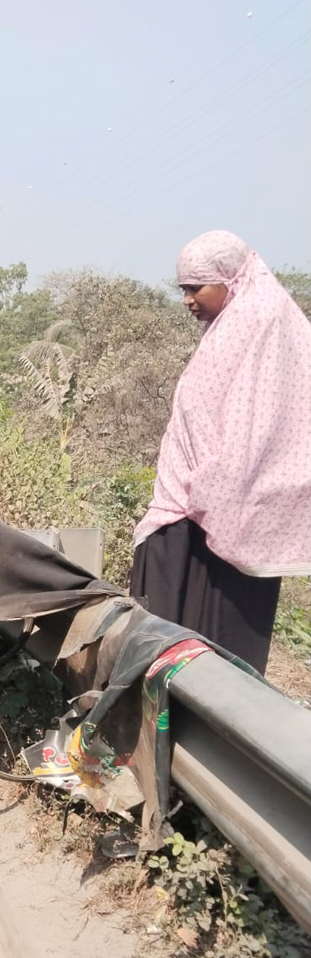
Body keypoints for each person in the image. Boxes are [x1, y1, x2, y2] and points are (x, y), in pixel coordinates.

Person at [130, 230, 311, 674]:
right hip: (194, 508)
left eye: (196, 288)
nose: (188, 300)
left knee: (203, 646)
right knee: (173, 641)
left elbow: (258, 425)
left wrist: (211, 492)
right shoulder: (235, 320)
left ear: (230, 279)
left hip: (220, 511)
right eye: (183, 289)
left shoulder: (258, 320)